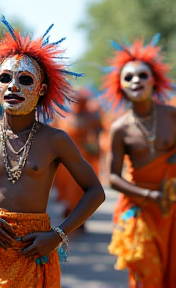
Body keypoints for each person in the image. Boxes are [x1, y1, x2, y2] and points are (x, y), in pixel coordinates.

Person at [0, 16, 105, 288]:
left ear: (41, 89)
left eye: (25, 79)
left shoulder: (55, 140)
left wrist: (57, 235)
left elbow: (95, 191)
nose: (13, 86)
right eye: (5, 78)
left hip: (34, 247)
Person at [102, 35, 176, 287]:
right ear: (120, 85)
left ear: (154, 80)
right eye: (129, 77)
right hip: (140, 208)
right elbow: (112, 177)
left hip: (172, 208)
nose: (136, 81)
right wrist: (147, 195)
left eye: (142, 75)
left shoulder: (172, 116)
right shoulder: (120, 128)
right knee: (147, 269)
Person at [53, 88, 103, 230]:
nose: (77, 104)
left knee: (81, 188)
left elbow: (97, 135)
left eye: (80, 101)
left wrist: (95, 149)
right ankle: (69, 209)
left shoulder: (92, 117)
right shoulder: (64, 117)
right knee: (66, 186)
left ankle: (80, 216)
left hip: (84, 158)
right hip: (65, 161)